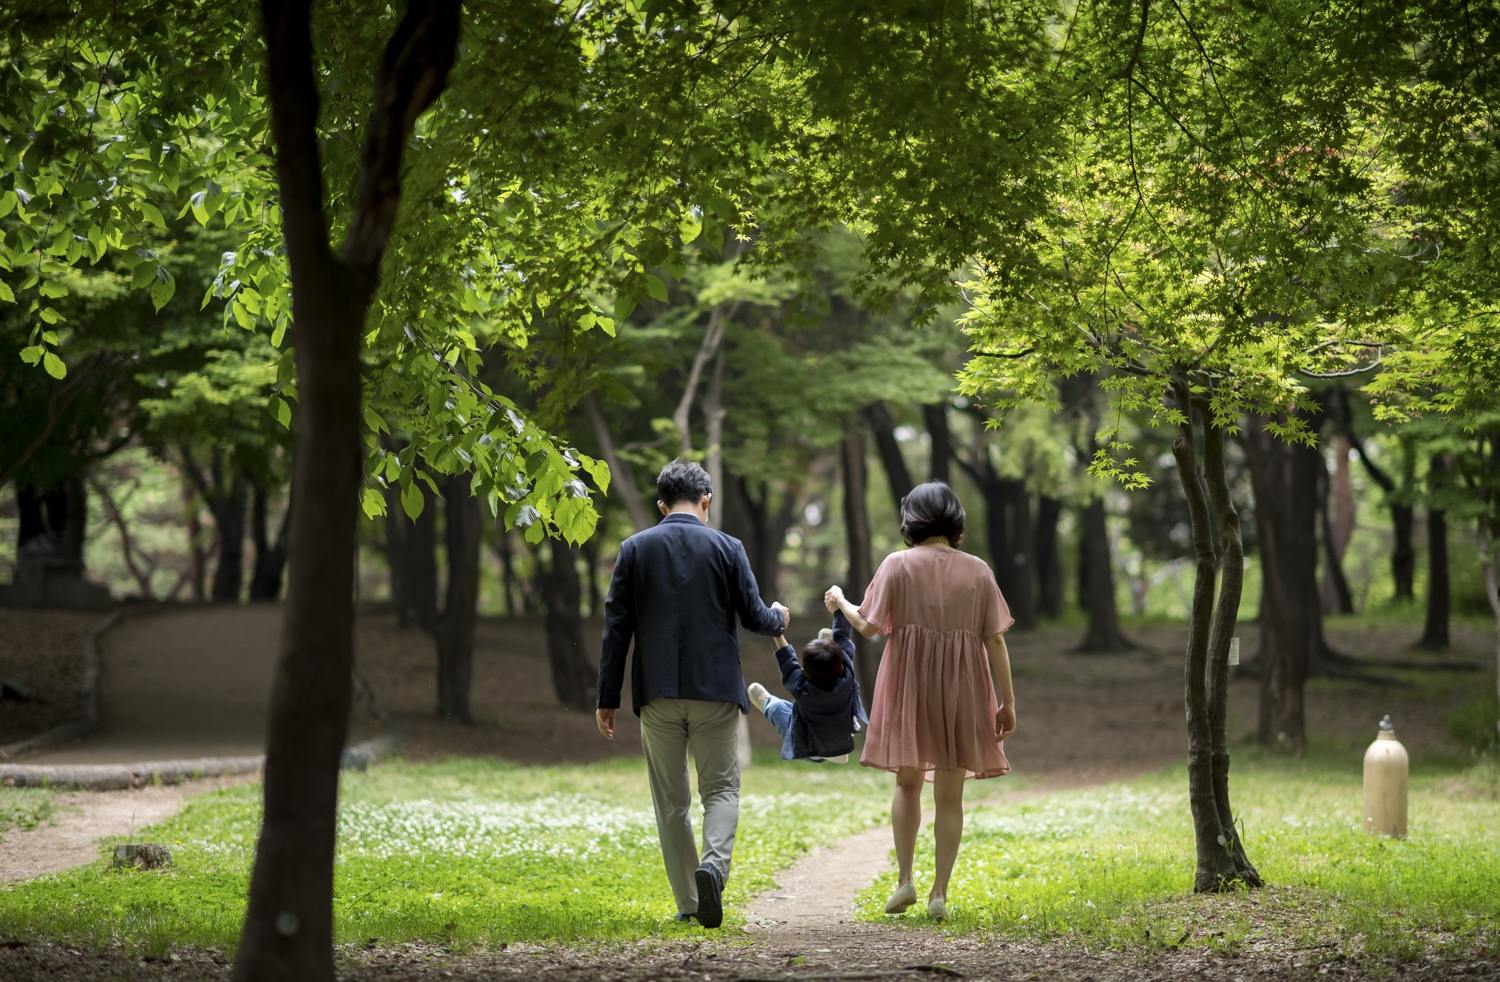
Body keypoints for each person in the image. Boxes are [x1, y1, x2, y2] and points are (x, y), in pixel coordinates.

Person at [595, 458, 790, 929]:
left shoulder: (634, 548)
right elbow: (754, 616)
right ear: (706, 501)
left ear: (662, 506)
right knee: (721, 789)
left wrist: (607, 697)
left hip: (657, 693)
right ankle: (713, 870)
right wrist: (779, 616)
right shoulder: (727, 546)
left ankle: (688, 903)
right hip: (716, 691)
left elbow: (616, 629)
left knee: (672, 802)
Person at [825, 480, 1017, 922]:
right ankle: (939, 894)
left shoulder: (896, 564)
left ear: (910, 520)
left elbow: (870, 627)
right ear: (955, 521)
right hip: (964, 688)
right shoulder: (979, 570)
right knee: (951, 796)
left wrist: (840, 602)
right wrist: (1007, 702)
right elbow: (996, 641)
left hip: (908, 685)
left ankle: (905, 880)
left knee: (906, 784)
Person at [746, 608, 868, 764]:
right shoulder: (847, 677)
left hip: (810, 748)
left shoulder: (801, 688)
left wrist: (777, 630)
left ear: (803, 672)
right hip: (840, 732)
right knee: (841, 700)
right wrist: (839, 606)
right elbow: (844, 638)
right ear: (842, 667)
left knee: (776, 707)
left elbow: (788, 661)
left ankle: (767, 703)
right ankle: (828, 648)